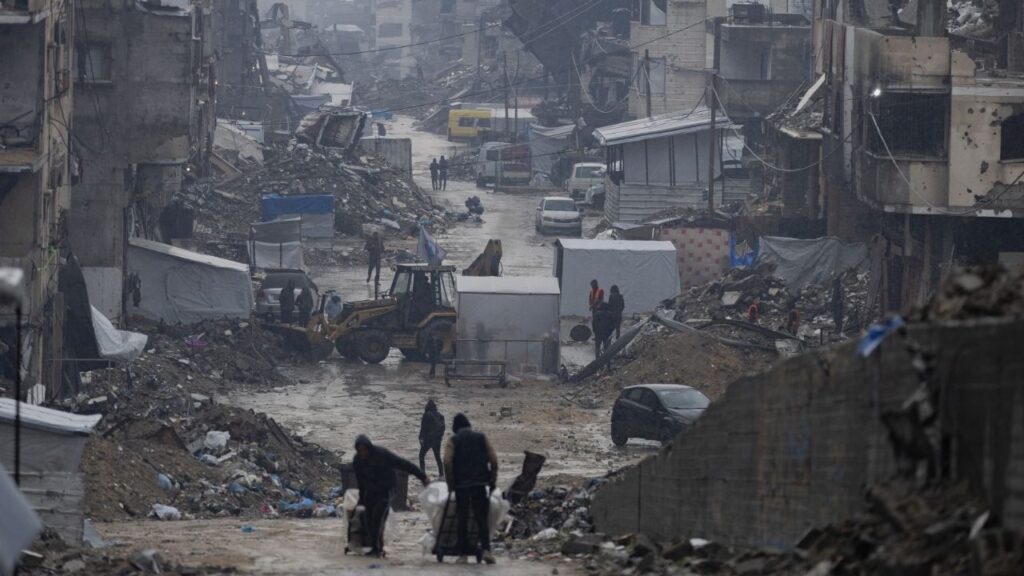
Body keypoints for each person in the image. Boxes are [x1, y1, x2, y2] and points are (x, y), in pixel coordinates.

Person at [353, 435, 428, 558]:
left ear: (368, 448)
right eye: (360, 450)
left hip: (385, 490)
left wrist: (422, 476)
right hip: (370, 492)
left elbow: (403, 463)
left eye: (364, 449)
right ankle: (377, 547)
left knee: (378, 517)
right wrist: (361, 500)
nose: (362, 453)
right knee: (368, 519)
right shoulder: (358, 461)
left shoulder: (381, 454)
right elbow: (360, 482)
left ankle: (376, 548)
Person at [443, 413, 498, 565]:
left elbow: (447, 462)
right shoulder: (481, 437)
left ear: (455, 428)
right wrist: (492, 480)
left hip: (461, 485)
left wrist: (450, 484)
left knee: (462, 518)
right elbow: (493, 459)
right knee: (481, 518)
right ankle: (487, 550)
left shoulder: (453, 440)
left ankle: (463, 554)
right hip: (480, 483)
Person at [418, 400, 445, 477]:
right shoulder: (440, 416)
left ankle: (422, 473)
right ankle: (441, 474)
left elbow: (423, 428)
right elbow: (443, 428)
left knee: (421, 456)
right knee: (437, 457)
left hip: (428, 439)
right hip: (437, 439)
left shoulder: (426, 415)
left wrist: (420, 438)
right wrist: (440, 437)